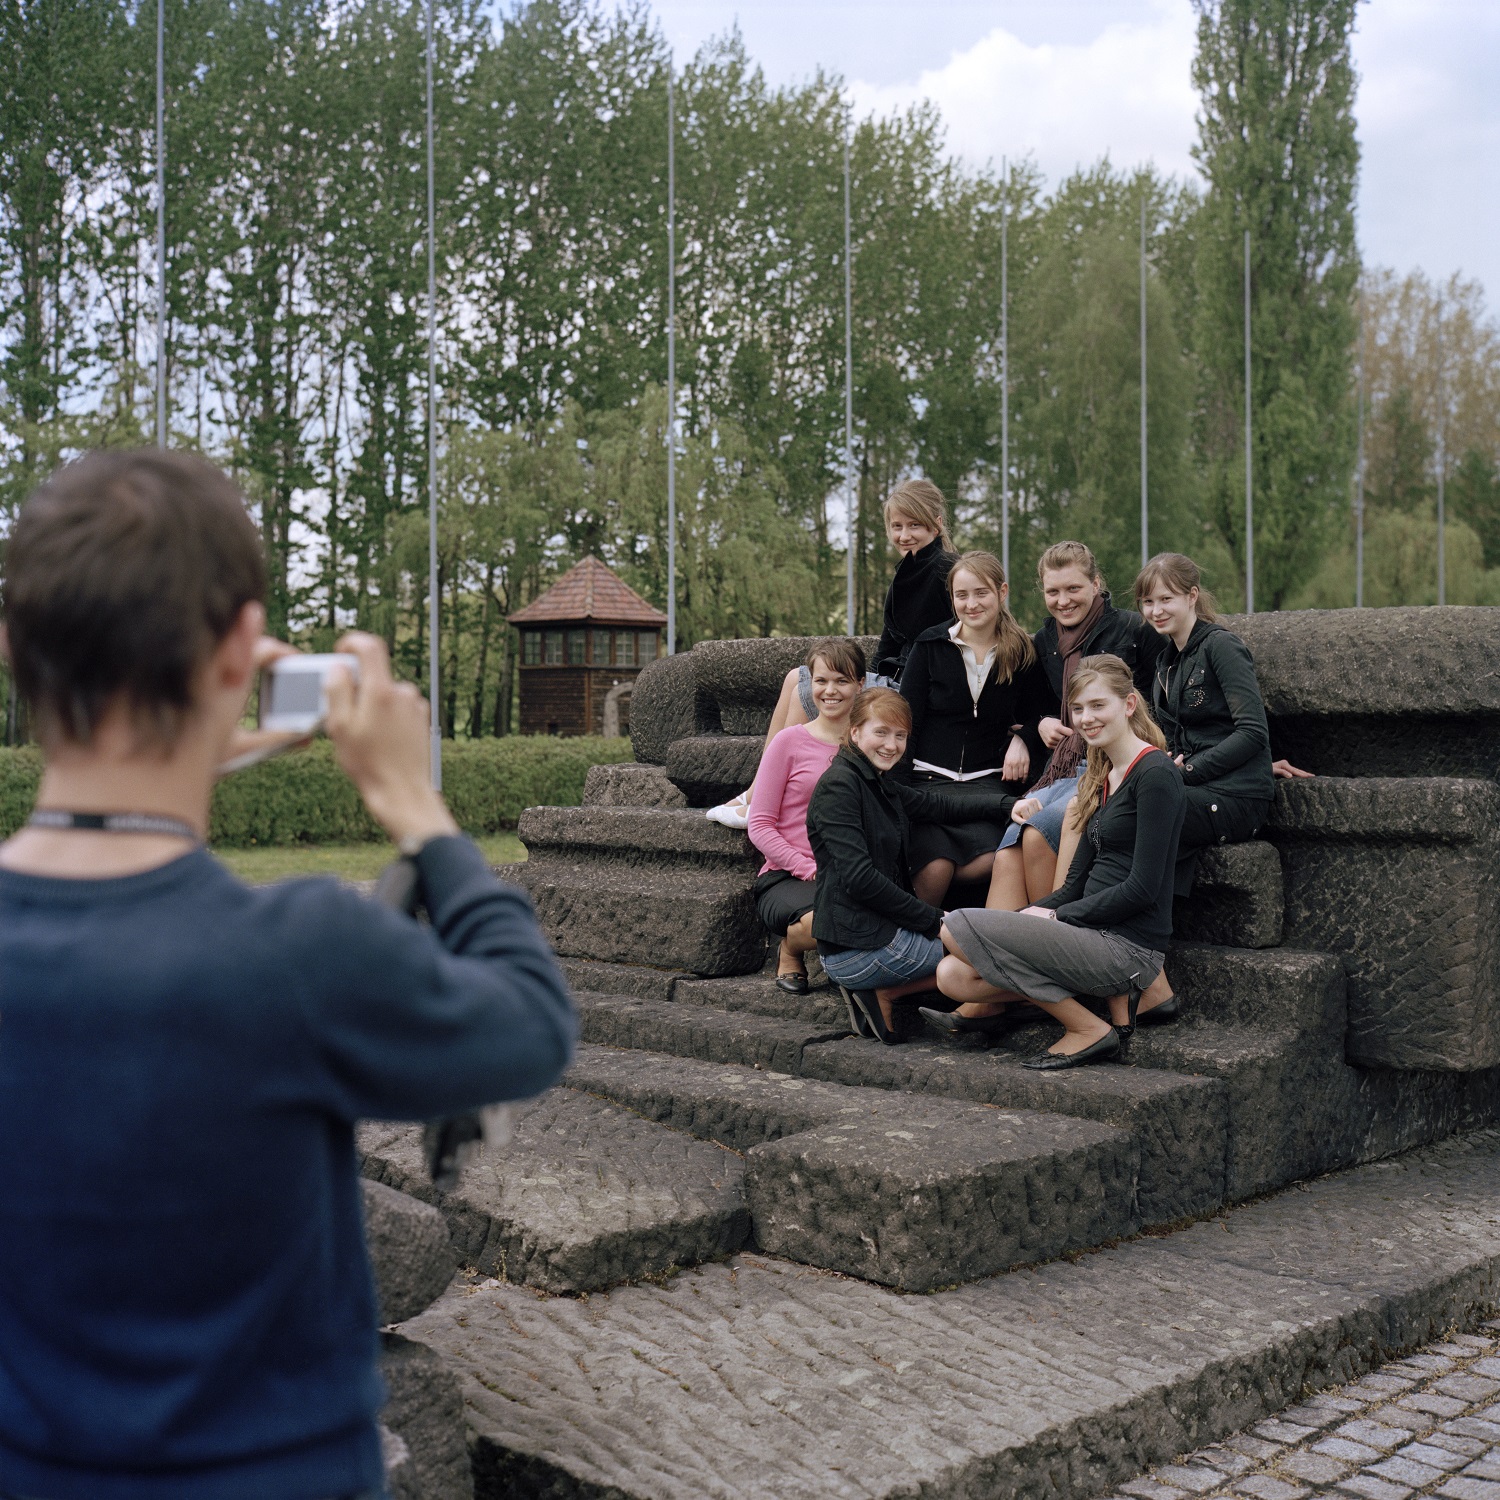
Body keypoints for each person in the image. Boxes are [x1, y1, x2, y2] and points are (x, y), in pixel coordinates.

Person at [0, 450, 576, 1500]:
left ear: (15, 652)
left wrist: (188, 747)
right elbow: (532, 1023)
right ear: (236, 656)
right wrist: (417, 807)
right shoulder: (300, 951)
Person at [928, 654, 1185, 1066]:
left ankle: (1088, 1027)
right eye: (1079, 709)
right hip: (1091, 935)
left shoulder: (1155, 774)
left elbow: (1143, 888)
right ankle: (1094, 1007)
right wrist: (1035, 912)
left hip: (1129, 948)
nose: (1086, 718)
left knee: (956, 924)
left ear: (1129, 705)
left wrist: (1060, 919)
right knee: (953, 976)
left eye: (1098, 705)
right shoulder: (1103, 778)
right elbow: (1073, 885)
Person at [705, 478, 956, 828]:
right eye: (896, 526)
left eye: (914, 525)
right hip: (890, 678)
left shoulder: (947, 570)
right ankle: (759, 789)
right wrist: (861, 679)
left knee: (807, 687)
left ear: (937, 523)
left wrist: (871, 690)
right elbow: (888, 642)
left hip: (912, 688)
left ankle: (764, 800)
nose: (904, 535)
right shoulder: (907, 570)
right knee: (796, 677)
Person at [806, 687, 1014, 1045]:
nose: (891, 745)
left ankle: (889, 994)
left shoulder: (877, 781)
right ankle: (998, 1007)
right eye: (881, 732)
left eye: (900, 736)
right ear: (855, 732)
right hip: (858, 948)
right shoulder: (839, 787)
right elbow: (860, 880)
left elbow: (937, 805)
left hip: (877, 932)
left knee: (986, 954)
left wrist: (1006, 805)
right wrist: (934, 921)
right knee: (992, 958)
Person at [1132, 550, 1283, 1018]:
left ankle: (1138, 969)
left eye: (1166, 599)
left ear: (1192, 595)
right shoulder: (1165, 660)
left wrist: (1187, 771)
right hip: (1195, 788)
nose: (1156, 610)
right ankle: (1135, 970)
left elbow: (1252, 733)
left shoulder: (1221, 646)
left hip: (1237, 798)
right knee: (1124, 818)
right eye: (1147, 602)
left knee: (1142, 816)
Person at [986, 540, 1164, 911]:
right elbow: (1029, 708)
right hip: (1059, 770)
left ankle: (1050, 942)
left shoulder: (1133, 630)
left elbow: (1165, 703)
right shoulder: (1044, 641)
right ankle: (996, 956)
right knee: (1006, 853)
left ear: (1096, 584)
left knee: (1036, 836)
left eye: (1073, 589)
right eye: (1053, 591)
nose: (1063, 600)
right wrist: (1033, 729)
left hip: (1106, 768)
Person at [896, 550, 1041, 906]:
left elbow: (1043, 712)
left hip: (987, 786)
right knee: (936, 864)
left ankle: (971, 945)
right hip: (928, 781)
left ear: (1002, 592)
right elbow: (905, 723)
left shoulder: (1021, 651)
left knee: (993, 859)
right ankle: (925, 948)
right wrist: (896, 793)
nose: (971, 603)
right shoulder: (930, 645)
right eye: (962, 595)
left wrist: (1023, 738)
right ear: (952, 598)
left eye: (981, 593)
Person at [747, 638, 865, 995]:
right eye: (821, 681)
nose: (830, 691)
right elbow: (760, 824)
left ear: (860, 685)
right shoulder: (788, 743)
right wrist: (807, 867)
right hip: (790, 875)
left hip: (850, 870)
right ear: (809, 685)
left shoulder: (868, 746)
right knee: (831, 918)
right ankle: (791, 947)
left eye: (842, 681)